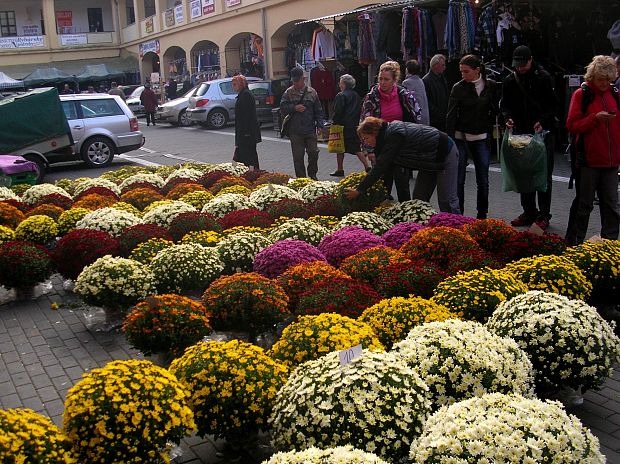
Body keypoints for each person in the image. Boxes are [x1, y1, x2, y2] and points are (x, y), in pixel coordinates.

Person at [344, 116, 460, 214]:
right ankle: (421, 231)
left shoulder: (394, 135)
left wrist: (359, 190)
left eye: (366, 138)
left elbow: (381, 167)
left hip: (445, 152)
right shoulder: (385, 139)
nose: (365, 142)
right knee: (419, 199)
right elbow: (384, 170)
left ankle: (458, 232)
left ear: (374, 133)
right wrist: (380, 196)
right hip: (429, 160)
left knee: (447, 200)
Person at [501, 45, 559, 230]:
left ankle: (544, 214)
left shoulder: (544, 78)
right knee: (523, 173)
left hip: (541, 133)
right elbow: (504, 105)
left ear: (531, 60)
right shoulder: (510, 80)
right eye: (517, 65)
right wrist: (507, 118)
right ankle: (529, 211)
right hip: (520, 134)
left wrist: (543, 121)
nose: (520, 68)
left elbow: (554, 106)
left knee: (542, 175)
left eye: (523, 64)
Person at [565, 55, 620, 245]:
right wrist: (595, 119)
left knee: (611, 205)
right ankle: (574, 244)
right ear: (593, 76)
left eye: (608, 79)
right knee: (584, 204)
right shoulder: (582, 95)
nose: (605, 83)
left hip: (612, 161)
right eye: (601, 79)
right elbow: (572, 125)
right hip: (589, 160)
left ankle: (610, 244)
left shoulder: (615, 94)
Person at [446, 54, 499, 219]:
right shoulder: (458, 87)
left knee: (483, 179)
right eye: (461, 72)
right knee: (459, 179)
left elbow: (495, 109)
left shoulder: (490, 86)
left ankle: (482, 215)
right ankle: (458, 215)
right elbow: (451, 115)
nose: (463, 75)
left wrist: (501, 122)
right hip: (461, 137)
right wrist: (450, 140)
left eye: (466, 71)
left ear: (477, 70)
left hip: (481, 137)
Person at [360, 60, 421, 201]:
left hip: (400, 145)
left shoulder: (404, 95)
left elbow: (417, 115)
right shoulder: (371, 97)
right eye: (380, 79)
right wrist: (369, 150)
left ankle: (405, 215)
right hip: (380, 146)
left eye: (386, 79)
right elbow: (365, 124)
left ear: (395, 80)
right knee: (382, 184)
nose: (382, 82)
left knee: (403, 184)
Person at [280, 67, 324, 180]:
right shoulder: (288, 93)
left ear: (303, 79)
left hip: (309, 129)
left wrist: (320, 125)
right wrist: (294, 108)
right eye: (293, 81)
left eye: (297, 81)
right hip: (295, 131)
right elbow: (283, 108)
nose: (295, 83)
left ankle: (312, 174)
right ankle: (302, 179)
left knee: (314, 153)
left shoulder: (312, 92)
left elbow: (318, 110)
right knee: (298, 157)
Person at [330, 74, 369, 177]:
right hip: (354, 124)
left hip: (342, 125)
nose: (339, 84)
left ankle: (341, 169)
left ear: (344, 84)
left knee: (340, 148)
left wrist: (334, 122)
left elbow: (338, 111)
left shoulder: (341, 95)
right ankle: (366, 166)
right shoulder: (356, 95)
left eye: (340, 82)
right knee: (355, 147)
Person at [232, 74, 261, 170]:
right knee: (246, 156)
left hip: (247, 134)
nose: (233, 86)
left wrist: (246, 133)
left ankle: (253, 174)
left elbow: (247, 116)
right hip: (245, 133)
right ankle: (251, 173)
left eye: (235, 84)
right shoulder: (243, 95)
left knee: (249, 157)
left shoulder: (245, 95)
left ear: (241, 84)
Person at [423, 54, 449, 131]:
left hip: (443, 118)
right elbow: (427, 101)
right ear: (435, 65)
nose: (444, 67)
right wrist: (439, 113)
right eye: (443, 65)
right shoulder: (426, 81)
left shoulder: (442, 78)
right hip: (435, 120)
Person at [402, 60, 430, 125]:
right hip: (425, 116)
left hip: (417, 117)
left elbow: (408, 101)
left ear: (408, 69)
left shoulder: (407, 82)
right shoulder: (421, 81)